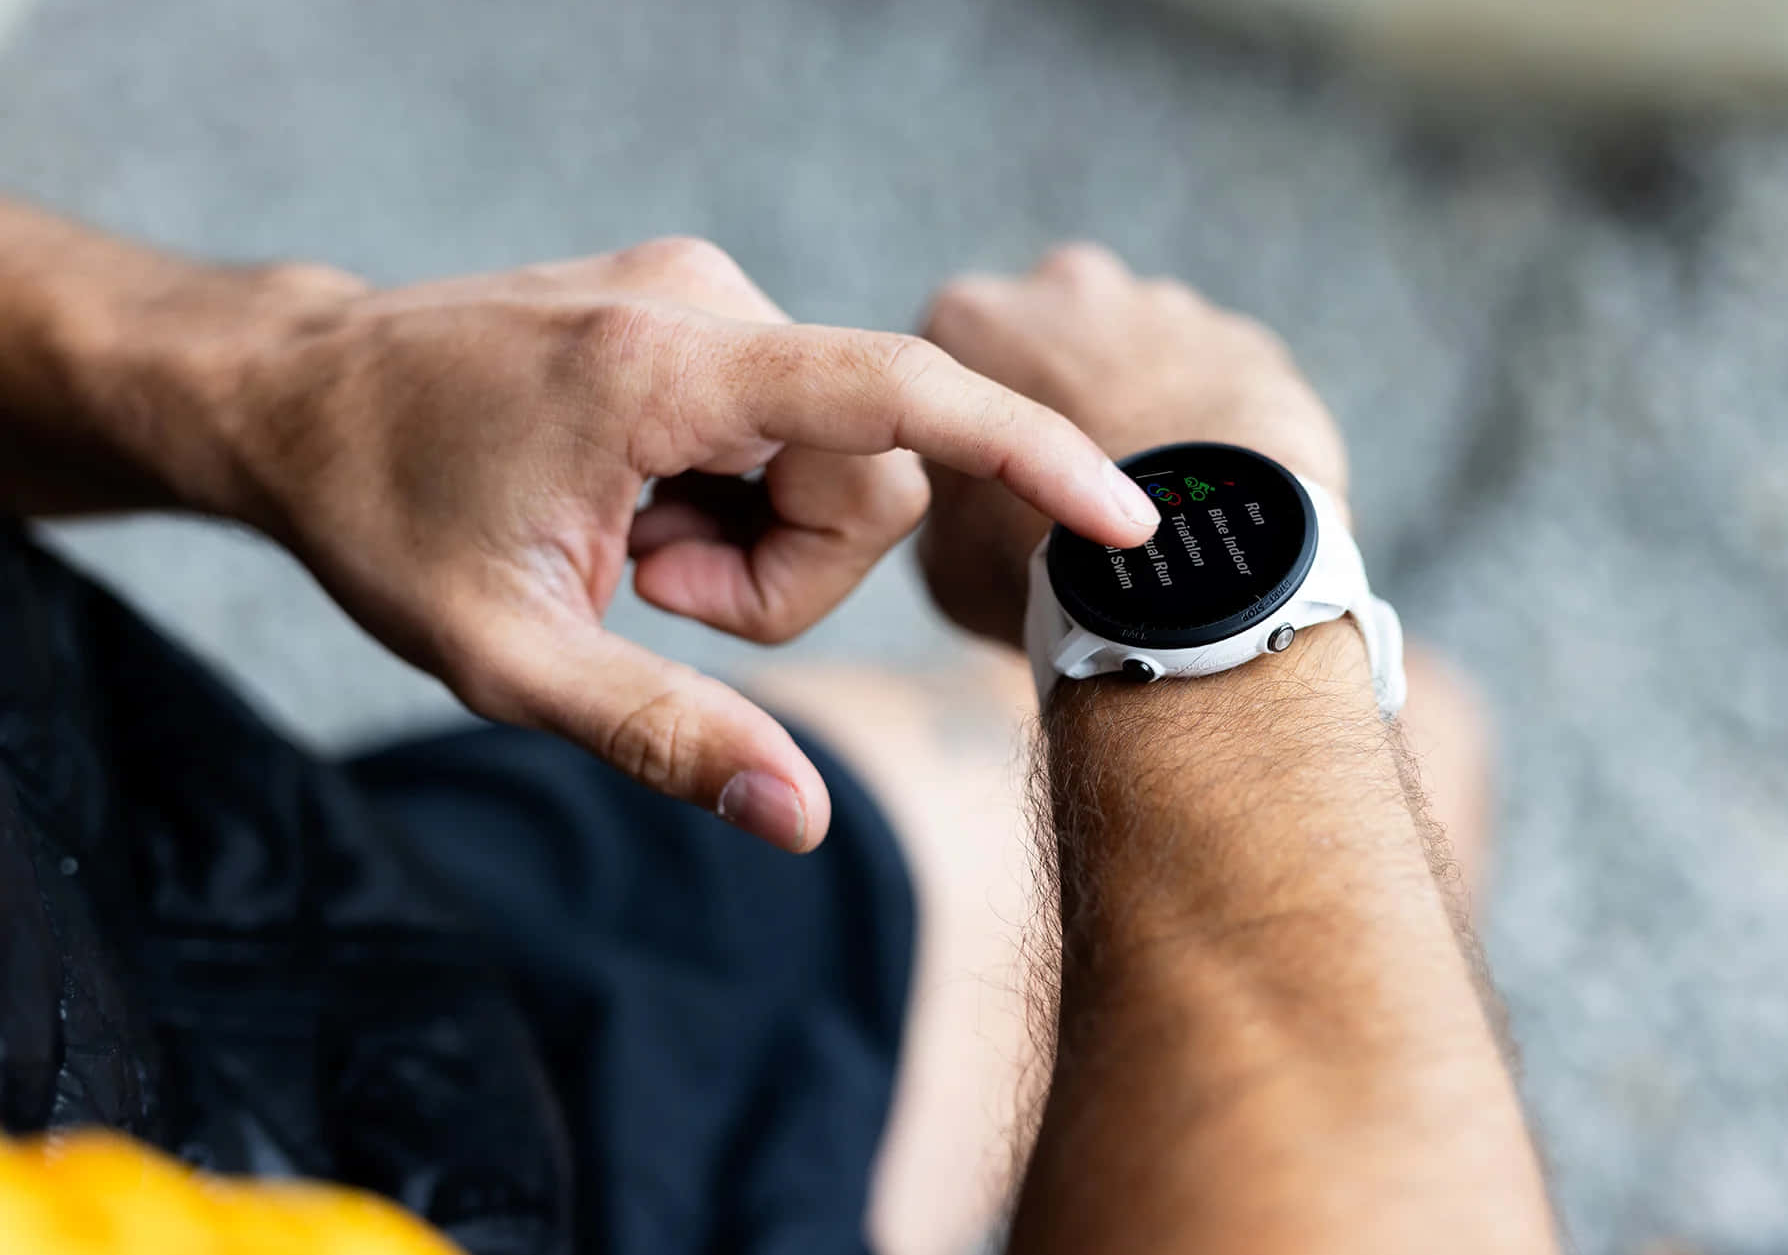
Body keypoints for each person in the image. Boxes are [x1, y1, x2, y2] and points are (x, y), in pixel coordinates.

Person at [0, 199, 1559, 1254]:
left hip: (203, 892)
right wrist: (1193, 552)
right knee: (1403, 768)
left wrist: (271, 363)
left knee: (1424, 761)